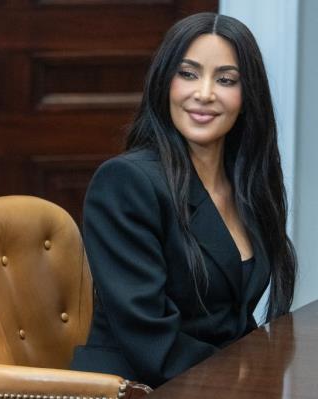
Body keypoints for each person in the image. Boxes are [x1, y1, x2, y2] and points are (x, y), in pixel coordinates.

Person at [70, 12, 297, 388]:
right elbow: (152, 343)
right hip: (135, 386)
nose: (204, 93)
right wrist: (246, 378)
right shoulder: (126, 182)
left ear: (247, 96)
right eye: (188, 73)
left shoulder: (248, 185)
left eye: (225, 80)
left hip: (209, 382)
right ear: (164, 83)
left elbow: (235, 324)